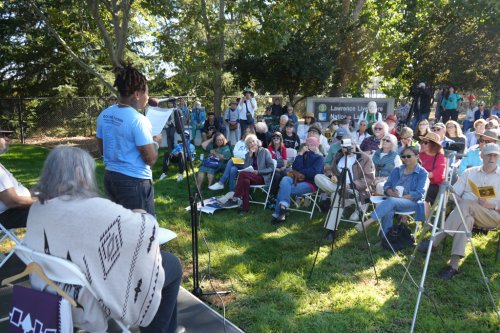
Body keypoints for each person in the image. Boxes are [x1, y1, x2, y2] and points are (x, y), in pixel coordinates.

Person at [23, 146, 183, 333]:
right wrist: (141, 213)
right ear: (80, 173)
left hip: (49, 290)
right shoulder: (94, 208)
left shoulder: (38, 208)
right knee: (171, 264)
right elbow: (147, 228)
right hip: (86, 300)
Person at [417, 143, 500, 280]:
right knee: (466, 218)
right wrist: (460, 202)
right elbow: (453, 194)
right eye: (489, 154)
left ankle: (435, 241)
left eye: (495, 155)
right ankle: (453, 267)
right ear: (482, 156)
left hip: (492, 215)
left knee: (467, 206)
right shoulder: (470, 172)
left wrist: (491, 204)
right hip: (466, 211)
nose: (492, 157)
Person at [96, 60, 161, 215]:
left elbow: (102, 149)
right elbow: (150, 159)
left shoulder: (105, 114)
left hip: (111, 178)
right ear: (137, 94)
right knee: (143, 231)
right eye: (146, 92)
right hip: (134, 182)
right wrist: (155, 142)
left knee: (119, 228)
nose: (148, 97)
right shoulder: (138, 120)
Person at [355, 146, 428, 235]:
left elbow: (419, 193)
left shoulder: (422, 173)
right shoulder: (397, 170)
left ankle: (369, 221)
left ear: (417, 156)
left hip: (412, 202)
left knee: (391, 201)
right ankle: (386, 238)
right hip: (393, 200)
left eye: (408, 156)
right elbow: (387, 185)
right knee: (389, 208)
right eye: (403, 156)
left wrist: (401, 197)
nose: (405, 158)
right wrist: (391, 192)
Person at [315, 139, 375, 236]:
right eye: (344, 146)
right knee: (318, 177)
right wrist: (331, 176)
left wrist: (350, 185)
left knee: (336, 195)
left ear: (355, 145)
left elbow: (368, 179)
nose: (346, 148)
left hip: (356, 190)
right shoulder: (338, 156)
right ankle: (340, 189)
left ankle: (331, 230)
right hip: (338, 185)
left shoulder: (364, 158)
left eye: (350, 145)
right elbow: (330, 170)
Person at [271, 136, 324, 224]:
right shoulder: (303, 155)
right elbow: (295, 166)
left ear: (317, 146)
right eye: (308, 144)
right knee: (285, 180)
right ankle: (283, 208)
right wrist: (300, 154)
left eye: (312, 145)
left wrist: (301, 171)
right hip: (296, 179)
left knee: (284, 188)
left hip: (310, 183)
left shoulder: (320, 158)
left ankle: (279, 213)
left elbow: (314, 172)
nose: (310, 146)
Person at [221, 134, 274, 214]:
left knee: (242, 174)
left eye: (253, 141)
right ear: (247, 145)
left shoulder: (265, 151)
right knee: (245, 181)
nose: (252, 143)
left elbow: (271, 168)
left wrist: (259, 172)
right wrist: (249, 156)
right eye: (249, 142)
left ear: (256, 142)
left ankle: (235, 198)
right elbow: (245, 168)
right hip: (250, 177)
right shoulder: (247, 154)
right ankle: (245, 208)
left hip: (262, 177)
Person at [0, 129, 35, 230]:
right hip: (6, 215)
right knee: (57, 209)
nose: (8, 139)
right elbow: (13, 202)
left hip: (11, 211)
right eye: (3, 136)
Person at [419, 132, 446, 205]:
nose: (422, 144)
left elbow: (438, 173)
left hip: (433, 185)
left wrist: (421, 176)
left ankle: (424, 214)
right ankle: (403, 214)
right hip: (419, 181)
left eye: (425, 142)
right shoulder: (420, 155)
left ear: (433, 145)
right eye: (422, 142)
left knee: (423, 193)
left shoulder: (440, 157)